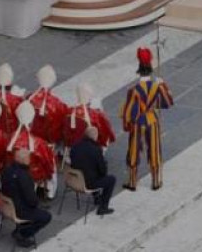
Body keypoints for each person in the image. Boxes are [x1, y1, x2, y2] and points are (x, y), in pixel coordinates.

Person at [120, 46, 173, 191]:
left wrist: (127, 123)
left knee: (133, 150)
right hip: (152, 120)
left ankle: (132, 182)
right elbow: (167, 103)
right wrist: (164, 85)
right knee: (155, 149)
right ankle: (155, 181)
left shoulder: (133, 90)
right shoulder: (157, 86)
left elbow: (129, 111)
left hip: (138, 122)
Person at [0, 148, 51, 247]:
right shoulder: (23, 176)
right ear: (23, 160)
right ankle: (23, 233)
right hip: (20, 210)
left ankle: (21, 229)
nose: (30, 159)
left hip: (7, 206)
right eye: (28, 157)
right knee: (46, 217)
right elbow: (31, 200)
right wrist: (37, 204)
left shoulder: (7, 170)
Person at [67, 125, 116, 215]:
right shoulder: (96, 150)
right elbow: (103, 171)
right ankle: (103, 207)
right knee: (111, 179)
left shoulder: (75, 146)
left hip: (74, 179)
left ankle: (97, 198)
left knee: (92, 172)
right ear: (95, 137)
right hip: (88, 183)